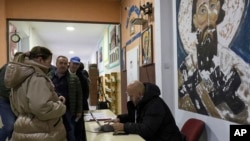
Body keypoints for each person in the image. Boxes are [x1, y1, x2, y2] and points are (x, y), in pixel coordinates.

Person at [178, 0, 246, 119]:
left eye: (213, 6)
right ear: (194, 20)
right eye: (202, 10)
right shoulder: (185, 68)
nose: (209, 16)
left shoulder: (234, 64)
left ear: (220, 13)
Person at [4, 46, 67, 141]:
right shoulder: (37, 78)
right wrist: (60, 106)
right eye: (49, 62)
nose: (49, 66)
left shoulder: (20, 76)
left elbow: (16, 106)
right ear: (40, 59)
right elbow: (42, 109)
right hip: (42, 130)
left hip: (23, 126)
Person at [108, 80, 183, 141]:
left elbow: (146, 130)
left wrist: (124, 127)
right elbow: (136, 116)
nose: (130, 99)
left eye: (131, 96)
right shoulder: (144, 101)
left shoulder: (155, 105)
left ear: (140, 94)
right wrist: (120, 119)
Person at [48, 55, 83, 141]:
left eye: (65, 63)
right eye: (60, 63)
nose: (63, 65)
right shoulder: (48, 77)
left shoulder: (74, 78)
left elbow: (79, 95)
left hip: (68, 110)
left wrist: (79, 110)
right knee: (53, 132)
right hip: (52, 109)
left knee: (70, 132)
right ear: (56, 64)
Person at [68, 56, 89, 141]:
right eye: (74, 63)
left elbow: (85, 93)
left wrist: (79, 107)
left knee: (80, 129)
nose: (75, 66)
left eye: (77, 64)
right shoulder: (64, 74)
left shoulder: (82, 77)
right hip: (68, 107)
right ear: (70, 63)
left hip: (80, 107)